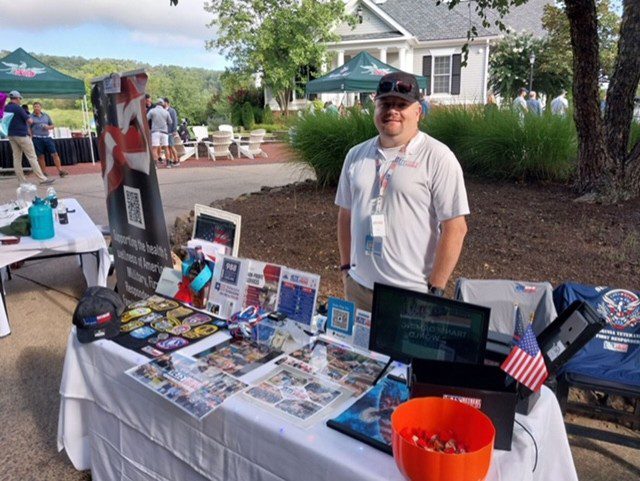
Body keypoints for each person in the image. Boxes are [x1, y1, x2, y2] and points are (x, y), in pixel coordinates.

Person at [335, 72, 469, 311]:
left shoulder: (438, 157)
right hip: (359, 290)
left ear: (418, 111)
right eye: (385, 104)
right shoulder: (356, 155)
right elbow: (345, 215)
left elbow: (455, 228)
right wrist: (346, 269)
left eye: (401, 105)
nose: (392, 111)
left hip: (411, 295)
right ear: (375, 108)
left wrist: (435, 290)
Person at [4, 91, 52, 185]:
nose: (20, 100)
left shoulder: (5, 108)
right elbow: (30, 121)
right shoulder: (19, 108)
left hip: (11, 135)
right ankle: (42, 179)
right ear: (17, 98)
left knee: (16, 158)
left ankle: (22, 181)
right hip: (22, 135)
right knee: (32, 157)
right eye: (20, 99)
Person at [30, 102, 69, 177]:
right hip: (36, 138)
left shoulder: (46, 116)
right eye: (35, 107)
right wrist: (30, 137)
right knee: (40, 156)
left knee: (55, 154)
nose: (36, 108)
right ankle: (44, 172)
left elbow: (52, 125)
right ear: (33, 108)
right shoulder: (30, 117)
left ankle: (60, 171)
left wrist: (48, 127)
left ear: (41, 107)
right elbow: (28, 128)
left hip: (47, 138)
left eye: (38, 106)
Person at [146, 98, 172, 167]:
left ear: (157, 104)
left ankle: (155, 164)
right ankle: (168, 163)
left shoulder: (152, 111)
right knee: (166, 147)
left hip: (155, 132)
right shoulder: (166, 112)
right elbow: (170, 122)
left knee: (155, 148)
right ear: (162, 104)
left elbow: (146, 119)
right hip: (164, 132)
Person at [164, 98, 180, 167]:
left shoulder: (172, 111)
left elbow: (175, 121)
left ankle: (176, 160)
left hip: (171, 131)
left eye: (163, 102)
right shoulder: (164, 110)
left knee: (172, 146)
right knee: (168, 147)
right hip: (165, 131)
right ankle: (171, 159)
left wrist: (174, 130)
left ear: (167, 103)